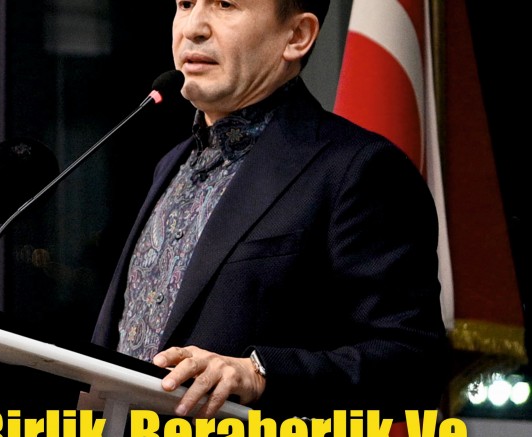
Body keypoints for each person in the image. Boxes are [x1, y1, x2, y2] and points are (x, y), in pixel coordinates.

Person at [91, 0, 450, 421]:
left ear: (297, 36)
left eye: (225, 4)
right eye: (185, 4)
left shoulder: (359, 168)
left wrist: (261, 373)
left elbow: (414, 364)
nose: (193, 28)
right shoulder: (170, 164)